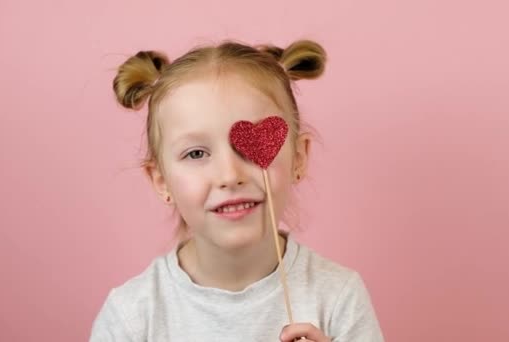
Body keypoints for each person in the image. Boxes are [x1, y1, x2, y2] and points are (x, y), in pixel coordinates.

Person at [90, 39, 385, 342]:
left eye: (249, 148)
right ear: (161, 180)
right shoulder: (132, 317)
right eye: (196, 154)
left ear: (298, 159)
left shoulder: (338, 298)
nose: (230, 176)